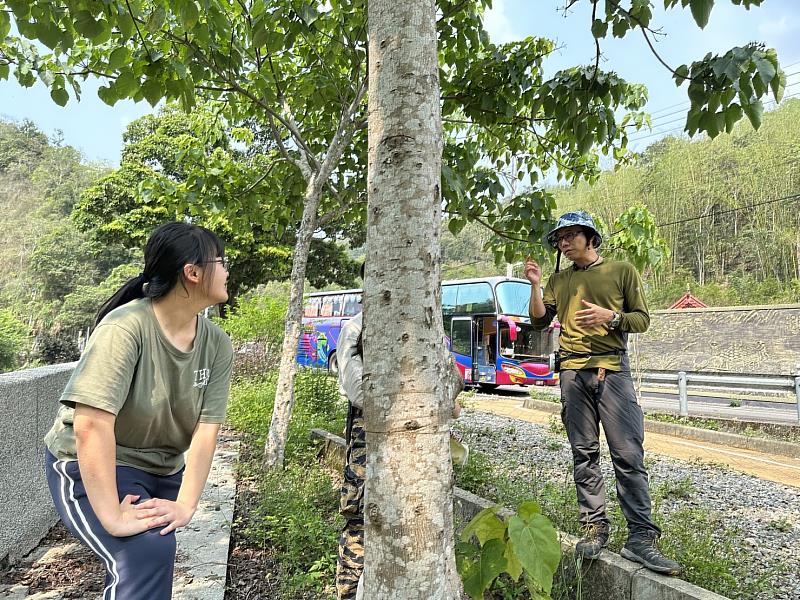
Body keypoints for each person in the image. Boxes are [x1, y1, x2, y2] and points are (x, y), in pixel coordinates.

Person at [43, 221, 235, 600]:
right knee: (146, 551)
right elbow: (91, 425)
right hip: (92, 464)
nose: (228, 270)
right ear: (192, 273)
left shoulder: (216, 344)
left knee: (151, 557)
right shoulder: (125, 328)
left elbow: (206, 430)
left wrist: (186, 505)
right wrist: (112, 516)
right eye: (222, 261)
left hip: (162, 469)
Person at [525, 210, 682, 576]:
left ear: (590, 237)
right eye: (559, 239)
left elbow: (642, 319)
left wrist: (609, 317)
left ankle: (641, 539)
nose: (563, 243)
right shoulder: (558, 279)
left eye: (570, 236)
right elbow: (538, 319)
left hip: (611, 369)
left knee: (628, 453)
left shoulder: (621, 270)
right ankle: (595, 528)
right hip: (571, 371)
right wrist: (535, 284)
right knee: (584, 453)